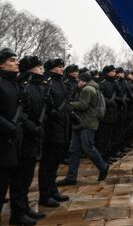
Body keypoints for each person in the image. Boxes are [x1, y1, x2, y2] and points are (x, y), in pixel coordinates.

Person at [57, 72, 109, 186]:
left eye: (79, 81)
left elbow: (83, 105)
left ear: (83, 81)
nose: (77, 83)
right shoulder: (89, 88)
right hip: (81, 122)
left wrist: (69, 104)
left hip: (87, 123)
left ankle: (103, 167)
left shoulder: (87, 89)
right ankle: (71, 177)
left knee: (88, 147)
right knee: (74, 150)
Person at [11, 56, 47, 222]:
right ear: (31, 69)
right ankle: (18, 211)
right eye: (39, 68)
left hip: (33, 137)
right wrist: (31, 126)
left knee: (27, 176)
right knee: (20, 177)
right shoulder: (23, 85)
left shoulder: (38, 86)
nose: (42, 70)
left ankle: (24, 207)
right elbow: (18, 111)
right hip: (24, 136)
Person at [39, 58, 70, 208]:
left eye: (62, 66)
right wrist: (54, 114)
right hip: (51, 128)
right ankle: (44, 194)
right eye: (59, 67)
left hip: (61, 127)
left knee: (55, 162)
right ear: (51, 68)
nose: (62, 69)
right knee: (47, 163)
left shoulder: (61, 82)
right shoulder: (48, 81)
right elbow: (46, 105)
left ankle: (52, 190)